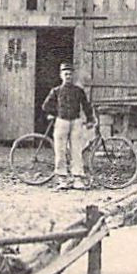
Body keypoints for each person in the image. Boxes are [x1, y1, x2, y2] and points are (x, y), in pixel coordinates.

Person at [41, 61, 96, 191]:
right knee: (60, 150)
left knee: (76, 151)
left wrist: (90, 119)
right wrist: (54, 114)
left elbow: (87, 106)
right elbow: (45, 106)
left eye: (70, 74)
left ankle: (77, 179)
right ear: (61, 76)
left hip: (76, 122)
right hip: (61, 122)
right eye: (66, 74)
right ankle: (62, 179)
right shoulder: (56, 91)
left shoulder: (79, 91)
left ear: (73, 76)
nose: (68, 76)